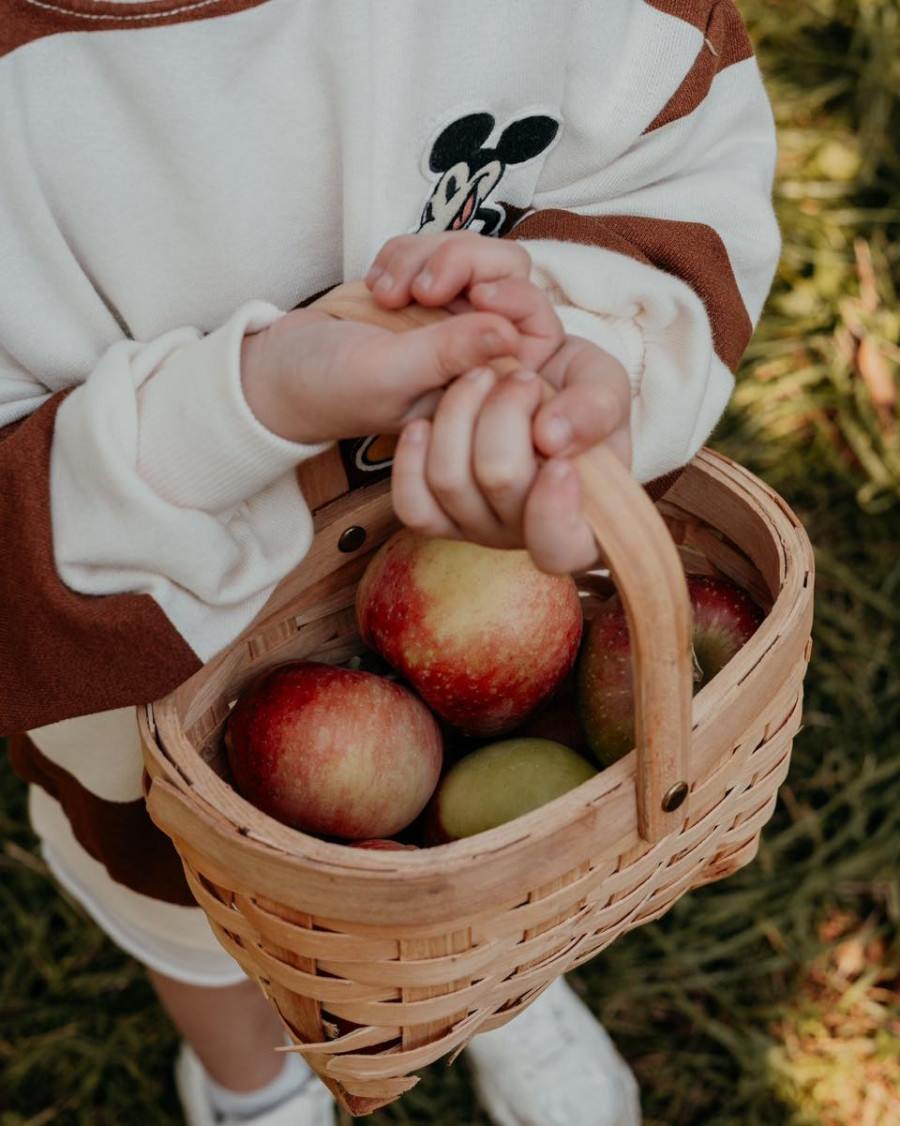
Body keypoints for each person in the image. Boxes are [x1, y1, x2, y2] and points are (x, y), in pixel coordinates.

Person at [0, 2, 779, 1124]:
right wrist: (238, 410)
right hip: (130, 694)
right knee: (193, 915)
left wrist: (593, 335)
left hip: (480, 603)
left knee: (492, 863)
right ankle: (251, 1083)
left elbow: (676, 140)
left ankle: (490, 987)